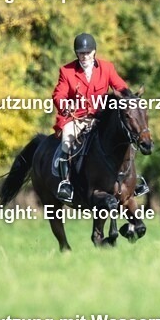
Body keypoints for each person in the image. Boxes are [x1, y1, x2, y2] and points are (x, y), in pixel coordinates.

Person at [51, 33, 148, 202]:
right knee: (67, 139)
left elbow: (121, 86)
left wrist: (130, 98)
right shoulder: (67, 71)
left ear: (94, 52)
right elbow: (58, 94)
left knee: (125, 137)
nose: (84, 56)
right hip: (77, 119)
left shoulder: (107, 68)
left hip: (100, 118)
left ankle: (134, 180)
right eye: (81, 53)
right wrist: (65, 106)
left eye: (87, 53)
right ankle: (66, 183)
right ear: (77, 54)